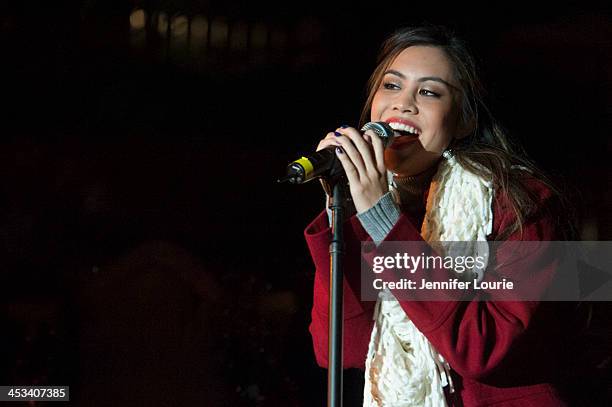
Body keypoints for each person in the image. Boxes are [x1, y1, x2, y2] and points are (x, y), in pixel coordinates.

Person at [304, 25, 584, 406]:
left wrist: (384, 224)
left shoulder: (524, 204)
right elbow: (342, 350)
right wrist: (351, 210)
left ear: (464, 120)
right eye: (391, 86)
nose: (403, 104)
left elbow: (482, 347)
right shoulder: (378, 206)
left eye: (429, 92)